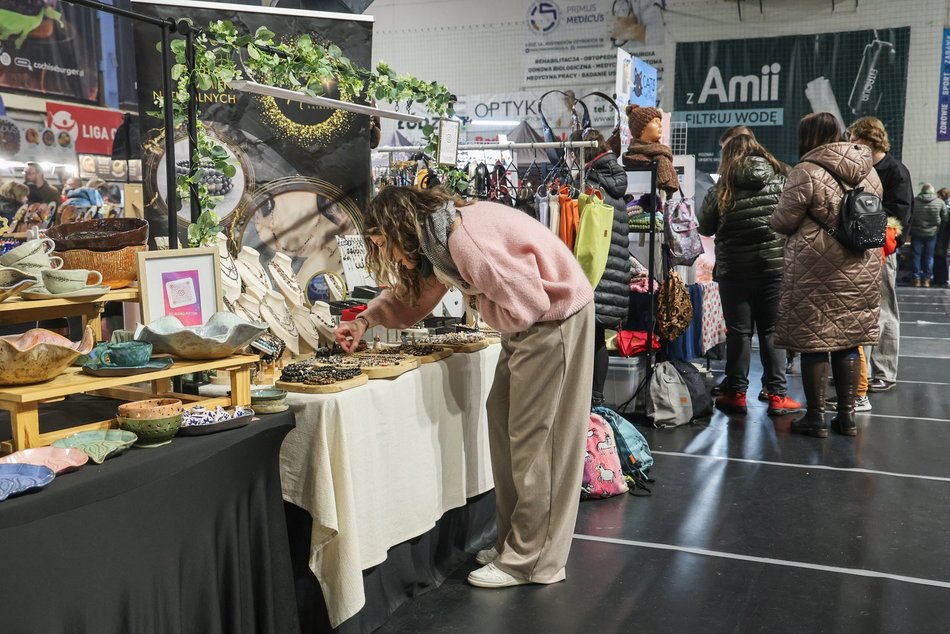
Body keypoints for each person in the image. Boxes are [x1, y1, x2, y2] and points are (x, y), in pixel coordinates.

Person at [334, 186, 595, 589]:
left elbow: (526, 303)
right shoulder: (440, 238)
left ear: (400, 227)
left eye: (384, 244)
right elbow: (416, 295)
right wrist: (365, 321)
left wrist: (476, 297)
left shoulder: (463, 241)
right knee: (505, 424)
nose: (388, 255)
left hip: (552, 321)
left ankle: (533, 560)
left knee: (538, 441)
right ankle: (516, 543)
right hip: (531, 324)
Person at [772, 112, 883, 438]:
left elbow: (782, 221)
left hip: (815, 270)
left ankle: (816, 417)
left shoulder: (805, 171)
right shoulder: (870, 171)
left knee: (815, 342)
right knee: (849, 341)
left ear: (807, 137)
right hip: (860, 266)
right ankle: (847, 417)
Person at [698, 134, 800, 416]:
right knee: (771, 331)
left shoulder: (722, 187)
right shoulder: (781, 178)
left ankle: (736, 393)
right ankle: (778, 396)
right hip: (773, 268)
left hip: (734, 272)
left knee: (739, 334)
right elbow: (793, 220)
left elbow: (705, 227)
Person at [847, 116, 912, 393]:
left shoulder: (895, 170)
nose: (850, 146)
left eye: (854, 141)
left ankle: (884, 371)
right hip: (858, 249)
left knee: (884, 312)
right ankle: (858, 370)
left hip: (882, 250)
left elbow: (899, 215)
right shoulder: (857, 169)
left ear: (869, 140)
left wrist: (878, 240)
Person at [569, 127, 630, 407]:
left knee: (586, 339)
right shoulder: (615, 179)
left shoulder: (591, 183)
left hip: (593, 272)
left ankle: (585, 400)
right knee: (597, 339)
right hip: (613, 274)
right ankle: (596, 399)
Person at [909, 183, 947, 287]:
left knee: (915, 256)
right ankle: (927, 279)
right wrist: (940, 229)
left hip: (916, 232)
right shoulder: (939, 202)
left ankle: (916, 278)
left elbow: (909, 216)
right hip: (932, 233)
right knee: (929, 256)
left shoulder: (914, 201)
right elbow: (945, 218)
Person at [934, 188, 950, 286]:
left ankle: (940, 279)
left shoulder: (944, 205)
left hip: (943, 233)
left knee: (940, 255)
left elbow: (944, 220)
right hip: (945, 234)